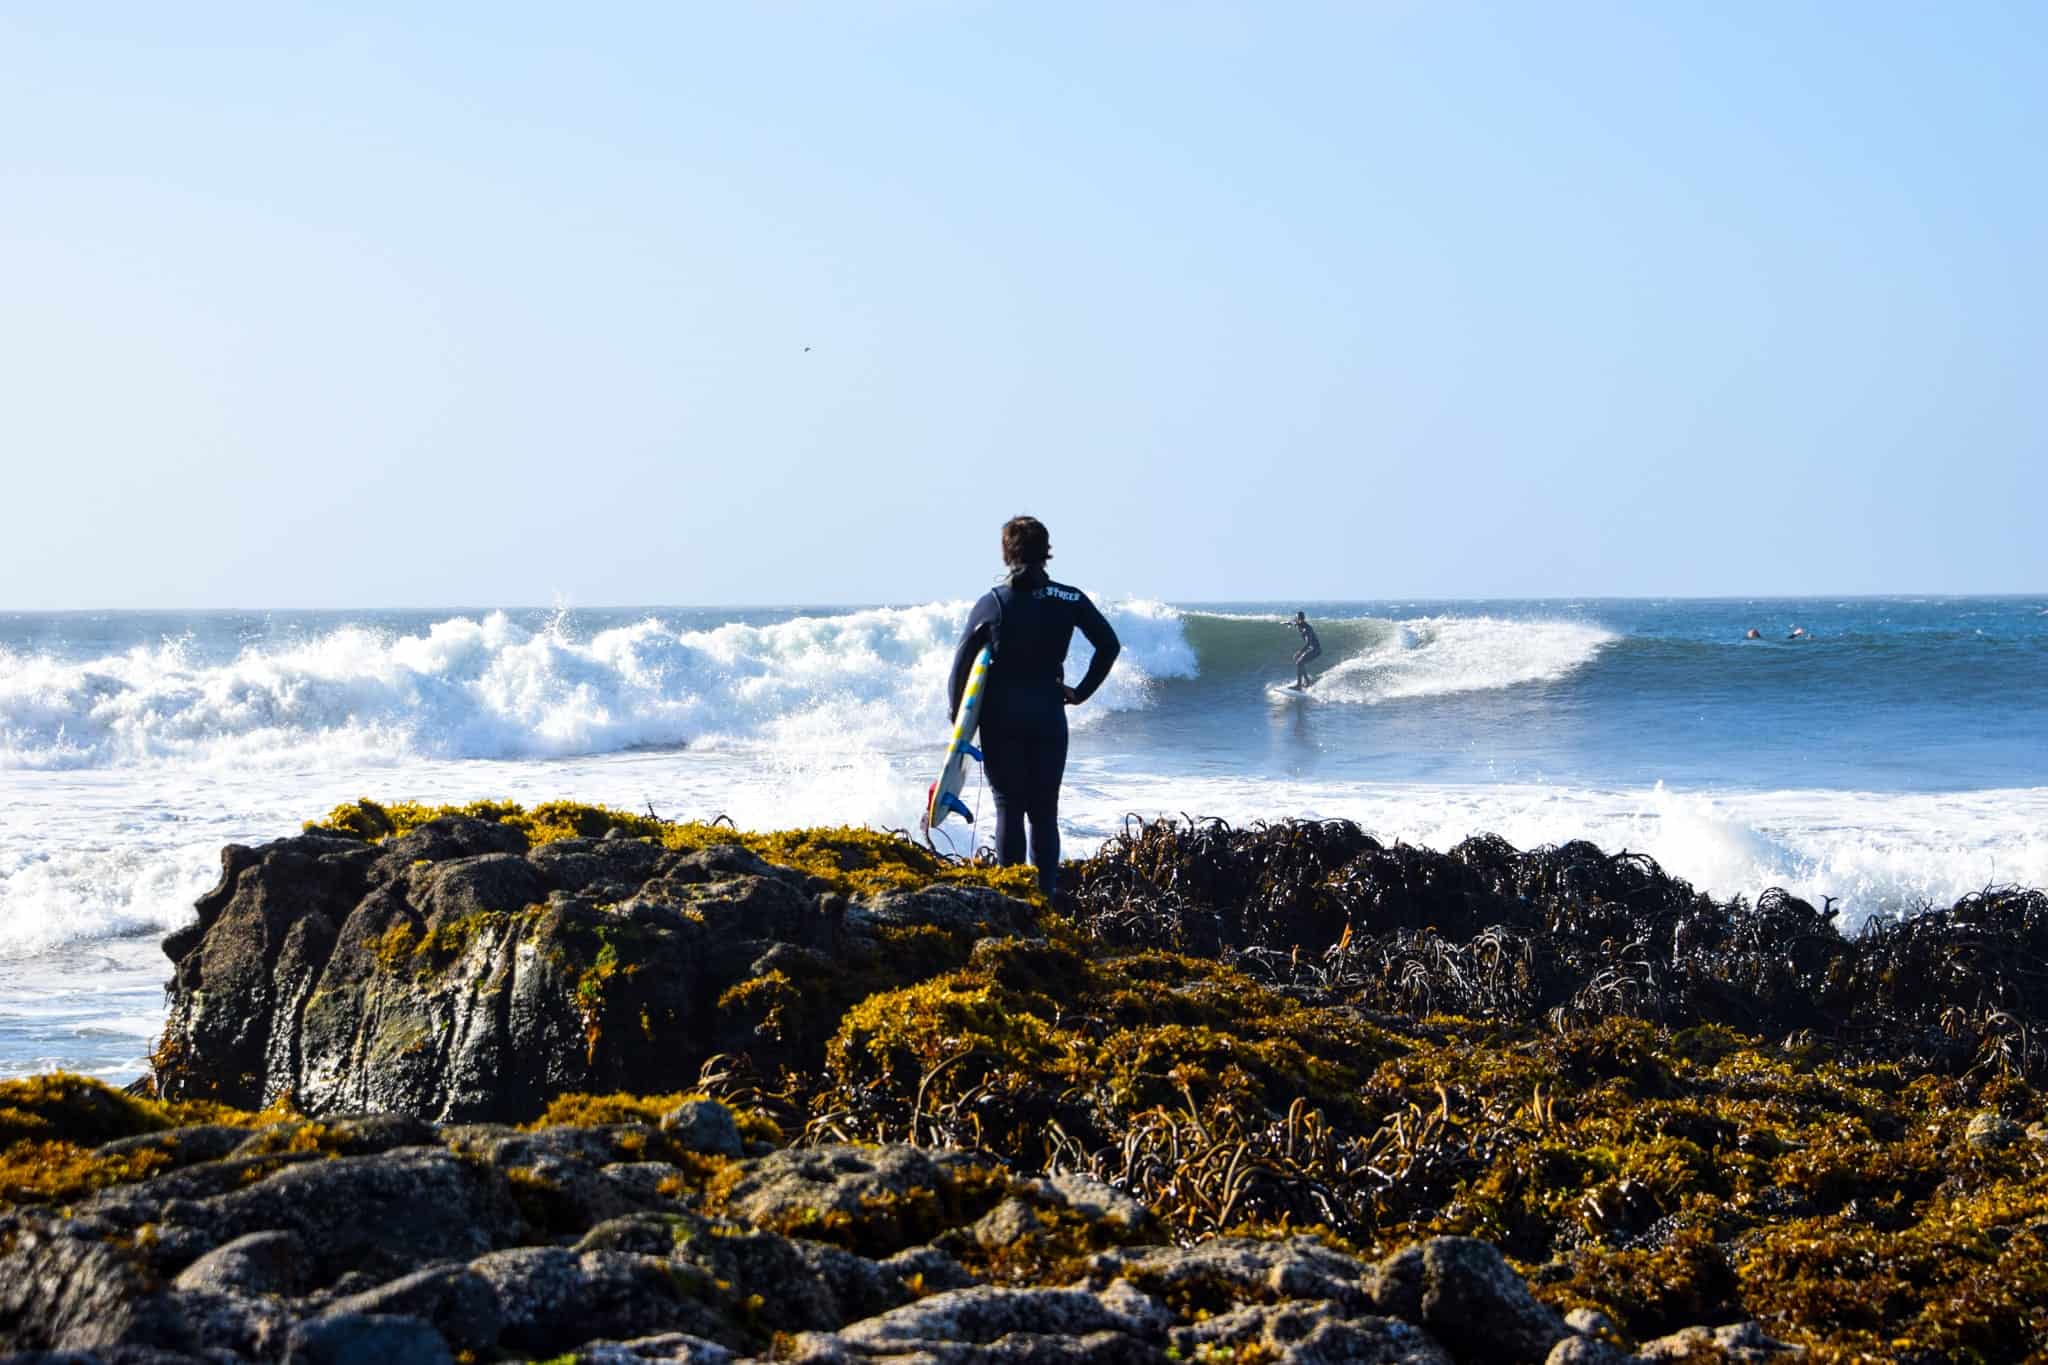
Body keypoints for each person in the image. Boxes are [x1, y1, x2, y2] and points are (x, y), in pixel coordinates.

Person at [948, 516, 1119, 897]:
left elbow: (961, 664)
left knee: (1008, 807)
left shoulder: (992, 603)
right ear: (1046, 551)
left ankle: (1012, 899)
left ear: (1006, 552)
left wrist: (957, 717)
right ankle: (1045, 901)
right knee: (1043, 812)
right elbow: (1109, 645)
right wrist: (1081, 692)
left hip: (1001, 717)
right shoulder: (1070, 598)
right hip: (1048, 715)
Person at [1290, 611, 1323, 689]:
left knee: (1299, 663)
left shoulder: (1306, 629)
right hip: (1312, 648)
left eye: (1296, 618)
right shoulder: (1300, 624)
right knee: (1300, 662)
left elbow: (1308, 643)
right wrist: (1289, 623)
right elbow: (1294, 623)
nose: (1295, 619)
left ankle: (1299, 685)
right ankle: (1307, 681)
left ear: (1300, 619)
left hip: (1315, 649)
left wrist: (1300, 652)